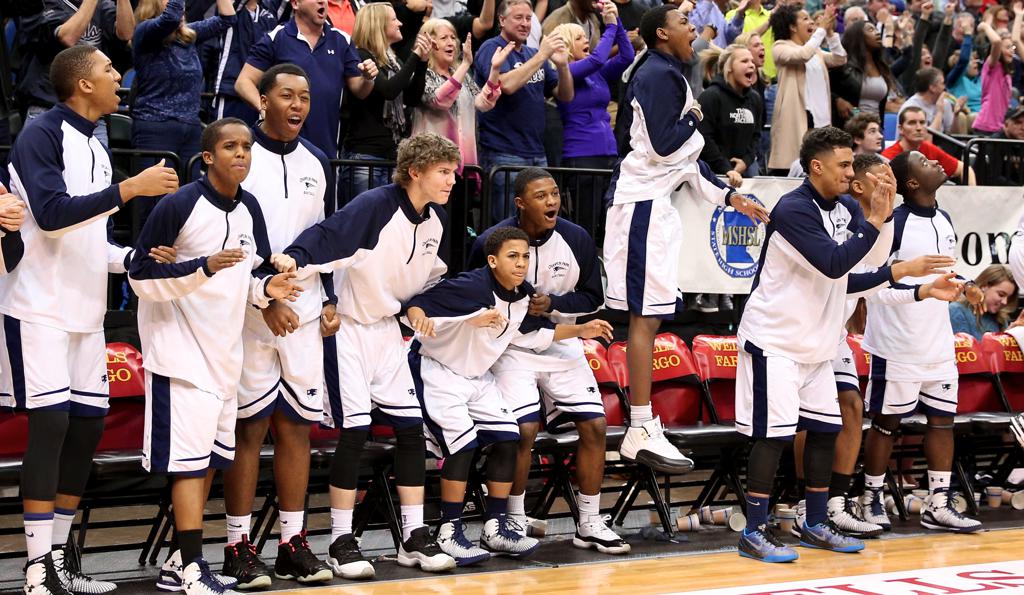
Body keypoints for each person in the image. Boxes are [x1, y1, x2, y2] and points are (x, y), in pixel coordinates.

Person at [0, 45, 179, 595]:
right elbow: (52, 218)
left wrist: (135, 259)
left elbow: (90, 241)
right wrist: (131, 189)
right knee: (51, 426)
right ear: (82, 84)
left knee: (85, 429)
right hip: (37, 307)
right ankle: (37, 569)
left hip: (84, 312)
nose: (118, 76)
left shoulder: (97, 144)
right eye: (107, 69)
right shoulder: (42, 134)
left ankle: (59, 560)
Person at [274, 133, 462, 578]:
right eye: (443, 172)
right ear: (415, 171)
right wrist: (293, 258)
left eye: (453, 172)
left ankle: (413, 536)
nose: (452, 180)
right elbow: (328, 236)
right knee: (355, 432)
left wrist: (420, 307)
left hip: (388, 333)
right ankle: (340, 540)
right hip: (349, 330)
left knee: (412, 430)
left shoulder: (435, 221)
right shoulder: (375, 206)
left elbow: (432, 280)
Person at [129, 118, 302, 595]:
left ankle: (176, 563)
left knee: (205, 463)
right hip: (180, 354)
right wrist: (201, 266)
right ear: (208, 157)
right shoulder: (179, 204)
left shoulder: (250, 208)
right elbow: (140, 277)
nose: (241, 154)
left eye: (246, 146)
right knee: (188, 466)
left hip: (225, 354)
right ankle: (192, 569)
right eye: (230, 146)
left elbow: (247, 277)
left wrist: (269, 291)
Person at [604, 4, 767, 474]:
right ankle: (638, 426)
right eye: (683, 23)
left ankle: (642, 423)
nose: (692, 28)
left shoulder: (669, 73)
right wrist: (695, 116)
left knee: (651, 318)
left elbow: (687, 164)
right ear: (661, 33)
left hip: (654, 204)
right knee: (643, 319)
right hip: (640, 205)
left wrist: (730, 197)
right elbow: (663, 146)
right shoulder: (657, 73)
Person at [403, 226, 615, 564]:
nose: (521, 263)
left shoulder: (522, 295)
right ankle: (449, 531)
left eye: (525, 257)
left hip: (476, 375)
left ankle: (496, 528)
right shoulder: (471, 285)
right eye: (513, 256)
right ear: (492, 261)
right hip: (437, 368)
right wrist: (431, 320)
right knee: (463, 444)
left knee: (507, 437)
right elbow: (416, 305)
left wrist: (581, 329)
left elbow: (535, 331)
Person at [735, 126, 894, 563]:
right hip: (775, 339)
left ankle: (816, 523)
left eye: (852, 163)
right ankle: (753, 531)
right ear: (816, 166)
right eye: (843, 165)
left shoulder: (846, 208)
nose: (851, 173)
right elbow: (833, 264)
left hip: (817, 343)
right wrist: (874, 222)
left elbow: (864, 266)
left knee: (826, 429)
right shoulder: (793, 210)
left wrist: (885, 218)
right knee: (773, 437)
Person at [790, 152, 961, 539]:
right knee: (810, 418)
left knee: (851, 407)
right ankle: (805, 503)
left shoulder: (882, 223)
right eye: (880, 176)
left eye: (890, 176)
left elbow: (875, 283)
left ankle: (835, 502)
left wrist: (927, 285)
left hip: (835, 332)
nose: (889, 182)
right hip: (802, 329)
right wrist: (911, 279)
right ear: (858, 185)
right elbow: (855, 281)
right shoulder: (840, 220)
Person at [469, 168, 629, 555]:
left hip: (563, 343)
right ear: (520, 203)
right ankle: (513, 519)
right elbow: (471, 291)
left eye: (554, 193)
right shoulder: (493, 240)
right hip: (512, 348)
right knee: (523, 429)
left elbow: (593, 297)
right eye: (541, 196)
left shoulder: (576, 238)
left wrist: (554, 303)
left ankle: (589, 522)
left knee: (595, 425)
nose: (552, 201)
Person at [218, 64, 335, 589]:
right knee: (249, 428)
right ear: (262, 100)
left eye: (304, 97)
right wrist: (263, 298)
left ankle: (291, 543)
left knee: (297, 428)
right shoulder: (242, 156)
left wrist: (329, 297)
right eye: (286, 95)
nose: (297, 105)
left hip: (304, 308)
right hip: (250, 309)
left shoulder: (317, 161)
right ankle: (237, 546)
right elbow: (232, 237)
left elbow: (324, 235)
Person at [859, 149, 985, 535]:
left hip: (938, 344)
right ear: (912, 182)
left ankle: (938, 504)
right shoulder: (893, 223)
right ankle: (870, 497)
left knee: (943, 422)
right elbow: (876, 286)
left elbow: (944, 274)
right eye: (925, 163)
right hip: (896, 344)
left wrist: (967, 285)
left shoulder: (944, 219)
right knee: (886, 424)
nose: (936, 162)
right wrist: (922, 292)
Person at [235, 0, 378, 159]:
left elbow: (360, 91)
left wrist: (368, 78)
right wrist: (264, 109)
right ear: (295, 4)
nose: (322, 2)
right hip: (277, 148)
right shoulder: (276, 37)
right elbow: (243, 82)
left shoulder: (342, 40)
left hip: (325, 148)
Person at [475, 0, 574, 222]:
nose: (525, 23)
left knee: (537, 222)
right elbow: (505, 85)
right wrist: (542, 56)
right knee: (507, 224)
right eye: (518, 18)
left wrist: (562, 66)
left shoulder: (532, 52)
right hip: (504, 151)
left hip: (537, 152)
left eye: (529, 18)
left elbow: (565, 95)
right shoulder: (492, 48)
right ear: (502, 20)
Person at [553, 1, 634, 232]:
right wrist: (610, 27)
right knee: (585, 222)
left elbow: (627, 56)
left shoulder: (596, 74)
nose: (586, 40)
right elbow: (598, 58)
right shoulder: (566, 72)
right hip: (581, 155)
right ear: (567, 45)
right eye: (579, 37)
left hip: (608, 153)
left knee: (608, 223)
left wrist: (616, 20)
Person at [14, 0, 134, 147]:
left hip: (92, 112)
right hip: (48, 107)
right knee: (42, 158)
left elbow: (126, 34)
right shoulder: (44, 3)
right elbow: (67, 37)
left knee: (96, 161)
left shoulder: (102, 5)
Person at [341, 3, 430, 199]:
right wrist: (415, 55)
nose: (400, 23)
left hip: (390, 155)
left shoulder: (393, 61)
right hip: (365, 156)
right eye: (394, 19)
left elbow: (412, 98)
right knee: (364, 216)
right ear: (379, 25)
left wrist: (422, 63)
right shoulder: (361, 56)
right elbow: (389, 90)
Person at [411, 19, 507, 175]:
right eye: (444, 38)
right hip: (432, 165)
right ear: (430, 43)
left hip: (465, 165)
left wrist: (495, 70)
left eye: (453, 37)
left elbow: (483, 103)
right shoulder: (421, 75)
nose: (451, 43)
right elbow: (439, 101)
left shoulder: (462, 75)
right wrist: (465, 64)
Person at [767, 5, 846, 174]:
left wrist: (830, 33)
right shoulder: (780, 47)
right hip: (799, 117)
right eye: (805, 19)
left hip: (820, 119)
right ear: (792, 27)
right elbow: (802, 55)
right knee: (795, 166)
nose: (811, 22)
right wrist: (821, 30)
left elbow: (840, 59)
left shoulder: (815, 50)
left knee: (820, 168)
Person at [697, 44, 763, 185]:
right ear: (729, 67)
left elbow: (756, 137)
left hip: (744, 174)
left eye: (752, 61)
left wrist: (745, 162)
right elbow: (704, 139)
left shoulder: (755, 99)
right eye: (744, 61)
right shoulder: (710, 97)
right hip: (713, 176)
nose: (752, 65)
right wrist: (726, 169)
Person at [213, 0, 281, 125]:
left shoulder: (269, 12)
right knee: (225, 134)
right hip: (231, 91)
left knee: (255, 137)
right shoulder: (232, 9)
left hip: (260, 94)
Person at [829, 20, 899, 129]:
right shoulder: (845, 66)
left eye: (876, 29)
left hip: (876, 128)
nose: (877, 33)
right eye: (871, 30)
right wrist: (837, 100)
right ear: (858, 37)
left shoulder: (881, 67)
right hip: (853, 127)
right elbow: (825, 86)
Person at [881, 107, 974, 184]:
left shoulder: (929, 148)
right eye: (912, 123)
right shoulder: (888, 156)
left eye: (922, 122)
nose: (918, 128)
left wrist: (973, 196)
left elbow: (965, 169)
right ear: (901, 129)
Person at [971, 5, 1024, 135]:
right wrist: (985, 26)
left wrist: (1019, 15)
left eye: (1011, 48)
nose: (1011, 51)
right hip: (985, 126)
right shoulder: (993, 66)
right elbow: (996, 41)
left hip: (999, 126)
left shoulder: (1007, 72)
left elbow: (1015, 40)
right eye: (1007, 48)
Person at [949, 265, 1021, 340]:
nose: (1005, 302)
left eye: (1009, 298)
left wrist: (1010, 336)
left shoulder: (1001, 319)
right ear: (983, 286)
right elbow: (963, 346)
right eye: (1001, 294)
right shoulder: (957, 310)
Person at [898, 67, 960, 135]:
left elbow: (954, 135)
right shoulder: (910, 108)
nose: (944, 87)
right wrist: (939, 113)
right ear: (932, 88)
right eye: (942, 83)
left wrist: (956, 115)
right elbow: (925, 138)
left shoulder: (944, 103)